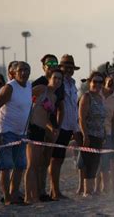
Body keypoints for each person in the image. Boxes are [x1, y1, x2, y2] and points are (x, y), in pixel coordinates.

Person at [0, 61, 32, 205]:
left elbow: (28, 108)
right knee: (6, 166)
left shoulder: (29, 87)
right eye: (21, 70)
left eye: (27, 69)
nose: (24, 72)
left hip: (22, 133)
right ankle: (7, 197)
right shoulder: (9, 88)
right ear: (13, 73)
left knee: (20, 165)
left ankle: (15, 195)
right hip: (6, 131)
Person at [24, 69, 62, 204]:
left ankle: (35, 195)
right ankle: (28, 196)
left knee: (38, 164)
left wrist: (52, 128)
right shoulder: (41, 89)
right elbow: (25, 100)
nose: (57, 81)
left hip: (41, 130)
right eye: (55, 78)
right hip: (32, 128)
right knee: (32, 164)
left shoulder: (54, 97)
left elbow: (45, 117)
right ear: (50, 78)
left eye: (60, 79)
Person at [31, 54, 65, 201]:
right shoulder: (38, 85)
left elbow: (60, 108)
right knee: (34, 162)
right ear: (43, 66)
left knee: (46, 161)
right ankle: (33, 192)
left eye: (55, 62)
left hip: (52, 127)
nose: (52, 65)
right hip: (38, 126)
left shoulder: (58, 86)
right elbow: (32, 106)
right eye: (49, 63)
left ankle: (43, 191)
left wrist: (58, 125)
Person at [49, 54, 80, 200]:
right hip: (59, 126)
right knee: (55, 159)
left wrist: (75, 128)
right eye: (65, 67)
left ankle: (54, 190)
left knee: (59, 159)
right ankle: (54, 191)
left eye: (70, 68)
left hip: (69, 126)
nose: (68, 70)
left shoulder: (73, 84)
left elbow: (73, 107)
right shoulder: (58, 83)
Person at [78, 71, 107, 197]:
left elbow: (102, 118)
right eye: (95, 81)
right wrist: (85, 135)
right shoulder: (86, 97)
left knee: (95, 163)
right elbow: (81, 118)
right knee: (87, 163)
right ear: (90, 82)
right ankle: (87, 191)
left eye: (100, 82)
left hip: (99, 135)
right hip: (89, 134)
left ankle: (92, 190)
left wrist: (104, 133)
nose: (98, 84)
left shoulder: (100, 98)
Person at [99, 73, 114, 194]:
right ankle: (102, 187)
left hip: (111, 130)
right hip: (96, 131)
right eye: (111, 80)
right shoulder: (96, 94)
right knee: (102, 161)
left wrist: (109, 132)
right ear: (106, 79)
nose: (113, 83)